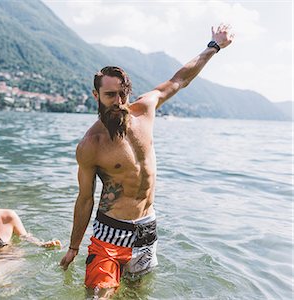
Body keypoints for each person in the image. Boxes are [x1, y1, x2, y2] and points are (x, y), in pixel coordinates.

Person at [60, 24, 234, 297]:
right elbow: (85, 199)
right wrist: (73, 247)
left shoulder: (145, 110)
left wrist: (213, 46)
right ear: (96, 96)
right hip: (109, 235)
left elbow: (179, 80)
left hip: (146, 231)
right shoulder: (91, 145)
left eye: (122, 94)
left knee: (136, 295)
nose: (118, 101)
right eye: (110, 95)